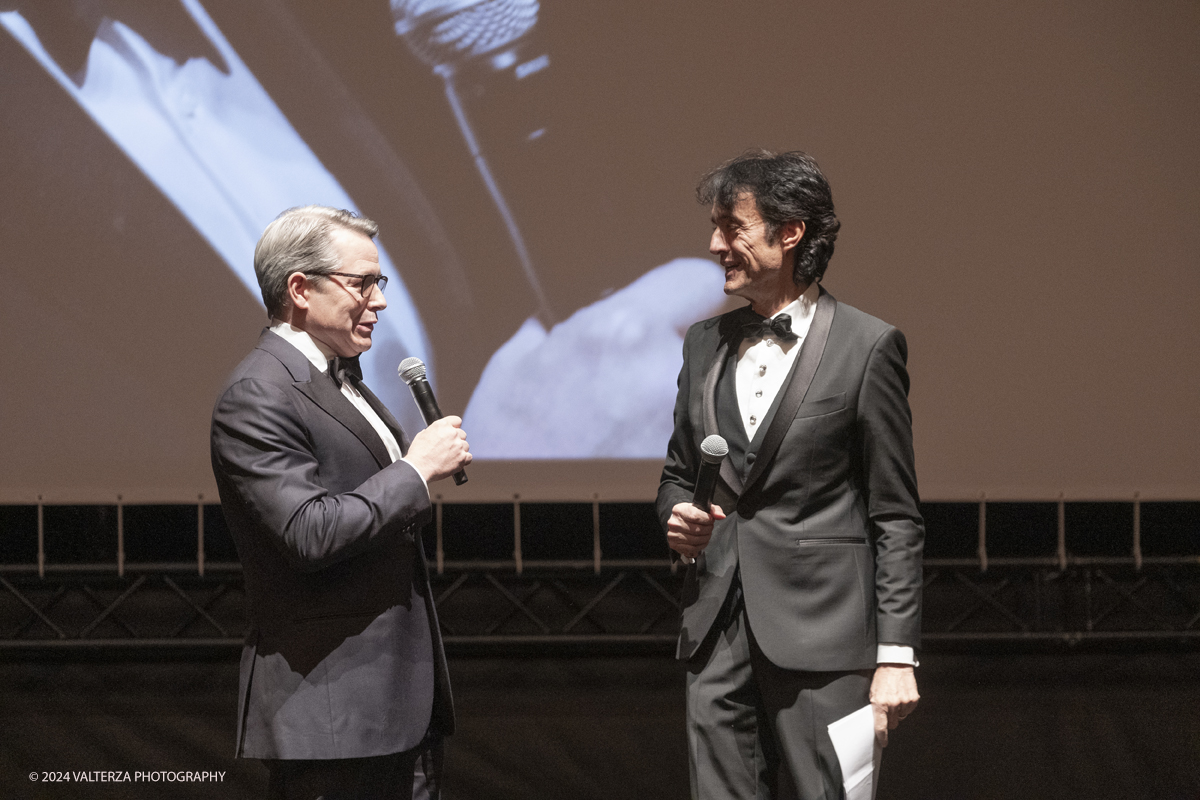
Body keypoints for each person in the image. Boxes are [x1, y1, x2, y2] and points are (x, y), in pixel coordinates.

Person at [658, 151, 923, 799]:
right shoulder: (702, 343)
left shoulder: (868, 346)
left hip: (827, 640)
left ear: (790, 231)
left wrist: (896, 655)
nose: (714, 244)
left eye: (732, 227)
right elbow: (677, 472)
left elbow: (894, 515)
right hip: (715, 631)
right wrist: (676, 518)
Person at [210, 206, 471, 800]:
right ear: (299, 289)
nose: (379, 301)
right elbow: (308, 532)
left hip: (394, 703)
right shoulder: (260, 392)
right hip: (332, 707)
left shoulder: (339, 379)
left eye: (380, 283)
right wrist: (415, 469)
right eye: (363, 284)